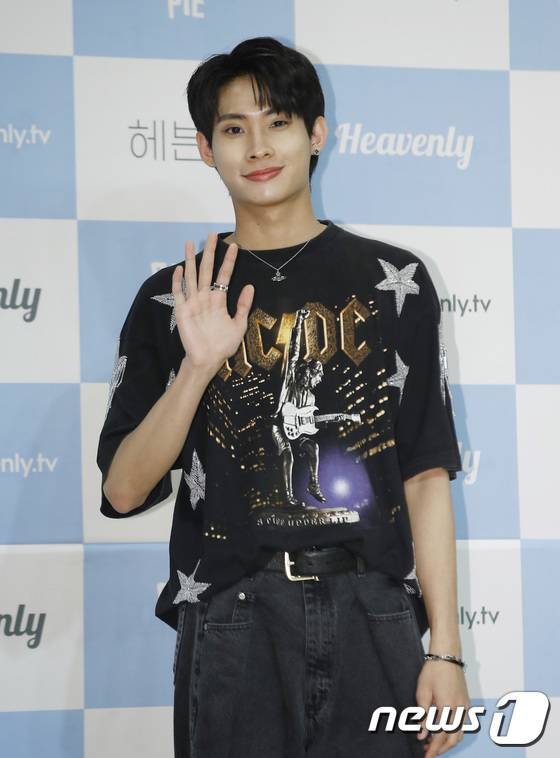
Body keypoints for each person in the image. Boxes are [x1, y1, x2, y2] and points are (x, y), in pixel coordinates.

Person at [97, 36, 470, 758]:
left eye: (278, 122)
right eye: (234, 128)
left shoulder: (395, 280)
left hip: (374, 613)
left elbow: (425, 474)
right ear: (206, 149)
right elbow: (122, 489)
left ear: (316, 133)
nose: (258, 147)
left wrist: (446, 652)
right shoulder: (172, 297)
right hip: (233, 617)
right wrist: (197, 368)